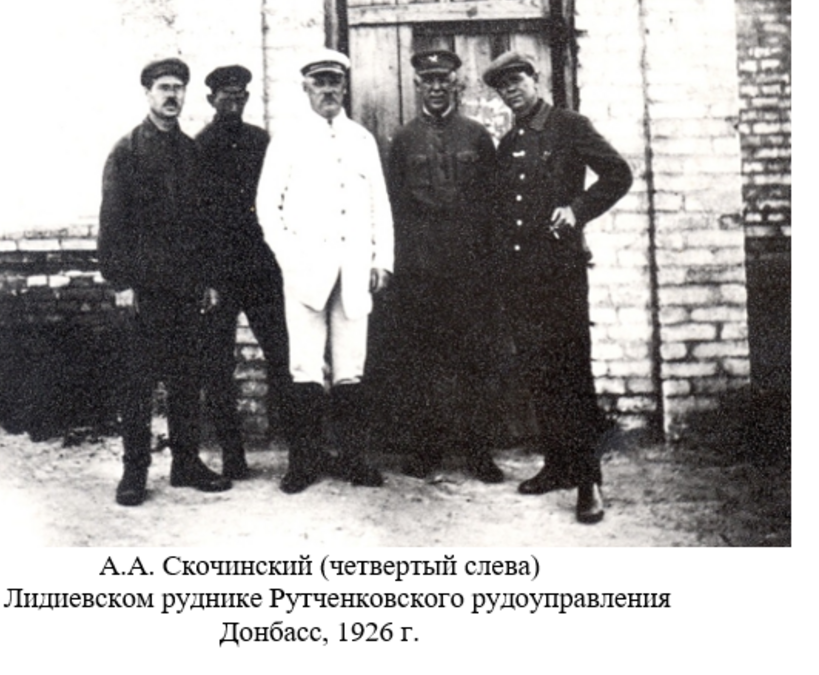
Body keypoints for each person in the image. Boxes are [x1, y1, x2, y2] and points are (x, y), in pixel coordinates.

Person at [483, 50, 633, 524]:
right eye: (503, 86)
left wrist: (577, 210)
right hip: (521, 278)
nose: (511, 91)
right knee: (539, 371)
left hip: (560, 275)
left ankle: (588, 482)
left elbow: (618, 174)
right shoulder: (510, 141)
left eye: (517, 81)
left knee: (571, 376)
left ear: (536, 79)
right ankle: (557, 465)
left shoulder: (570, 125)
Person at [255, 48, 394, 494]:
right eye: (320, 82)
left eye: (335, 82)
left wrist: (381, 259)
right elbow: (267, 207)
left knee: (351, 368)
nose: (328, 90)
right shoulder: (288, 139)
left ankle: (354, 459)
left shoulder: (361, 139)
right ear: (306, 87)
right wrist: (289, 258)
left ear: (344, 86)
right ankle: (304, 462)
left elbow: (379, 204)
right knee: (305, 368)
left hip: (353, 270)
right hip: (305, 273)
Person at [98, 57, 232, 506]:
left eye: (178, 88)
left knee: (185, 378)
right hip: (143, 289)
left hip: (185, 286)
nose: (172, 96)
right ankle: (134, 472)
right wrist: (120, 282)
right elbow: (112, 221)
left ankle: (186, 464)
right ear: (148, 94)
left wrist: (209, 278)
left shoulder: (191, 152)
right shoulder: (127, 151)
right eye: (164, 88)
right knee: (137, 384)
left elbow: (206, 224)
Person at [385, 49, 504, 483]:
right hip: (420, 270)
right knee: (420, 361)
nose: (436, 88)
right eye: (428, 80)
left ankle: (479, 452)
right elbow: (393, 207)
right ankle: (424, 448)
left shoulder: (476, 136)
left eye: (443, 80)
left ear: (456, 84)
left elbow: (493, 204)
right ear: (417, 85)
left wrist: (489, 263)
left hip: (469, 268)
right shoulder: (403, 139)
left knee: (475, 360)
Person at [194, 64, 290, 480]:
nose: (234, 102)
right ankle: (232, 455)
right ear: (211, 99)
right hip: (220, 273)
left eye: (240, 96)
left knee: (282, 355)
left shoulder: (261, 142)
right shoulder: (198, 147)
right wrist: (205, 277)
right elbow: (193, 218)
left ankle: (298, 449)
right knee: (218, 366)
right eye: (226, 96)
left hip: (262, 268)